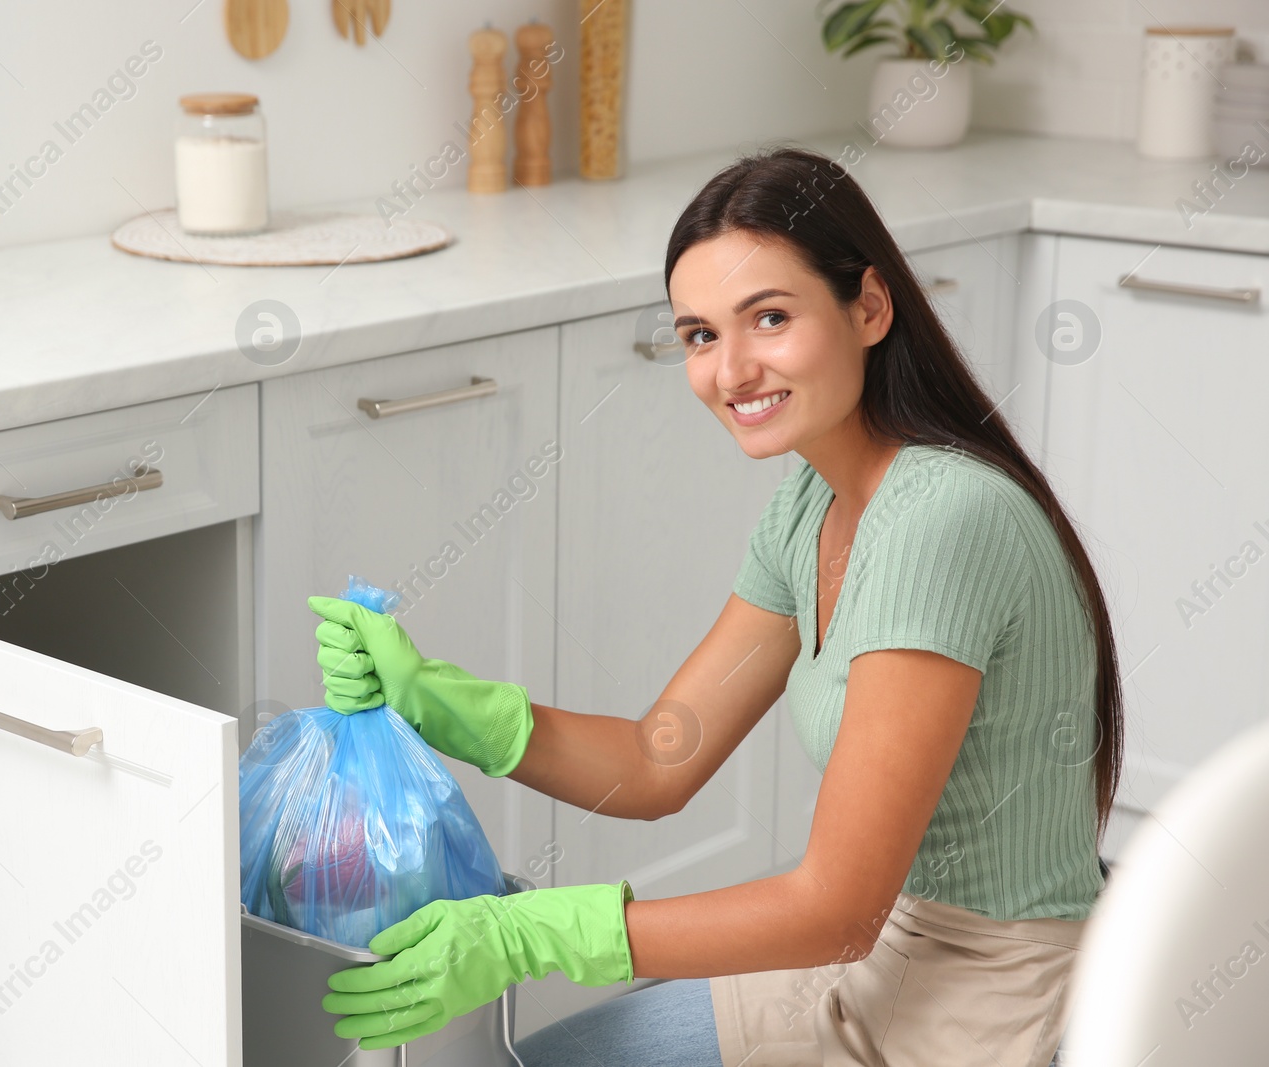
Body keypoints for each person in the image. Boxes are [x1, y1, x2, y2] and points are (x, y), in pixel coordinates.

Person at [305, 144, 1122, 1067]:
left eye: (769, 318)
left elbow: (835, 908)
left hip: (995, 1001)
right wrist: (444, 702)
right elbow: (660, 758)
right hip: (872, 958)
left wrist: (535, 932)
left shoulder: (943, 517)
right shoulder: (811, 503)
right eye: (700, 335)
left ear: (869, 306)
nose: (731, 371)